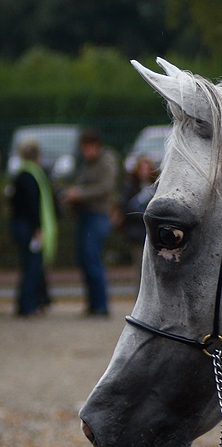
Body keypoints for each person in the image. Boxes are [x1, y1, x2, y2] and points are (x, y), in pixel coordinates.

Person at [62, 128, 119, 316]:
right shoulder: (86, 163)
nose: (86, 152)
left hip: (98, 216)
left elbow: (105, 188)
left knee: (92, 258)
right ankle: (92, 303)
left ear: (96, 146)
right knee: (84, 260)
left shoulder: (106, 161)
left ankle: (102, 305)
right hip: (84, 216)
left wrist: (79, 194)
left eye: (88, 148)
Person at [9, 139, 58, 316]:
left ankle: (28, 302)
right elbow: (33, 205)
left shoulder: (22, 175)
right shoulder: (32, 176)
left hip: (22, 226)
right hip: (29, 228)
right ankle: (27, 304)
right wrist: (38, 228)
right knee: (32, 266)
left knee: (29, 265)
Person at [115, 155, 158, 283]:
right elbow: (126, 208)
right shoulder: (130, 188)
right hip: (137, 234)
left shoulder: (156, 187)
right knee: (140, 268)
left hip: (153, 235)